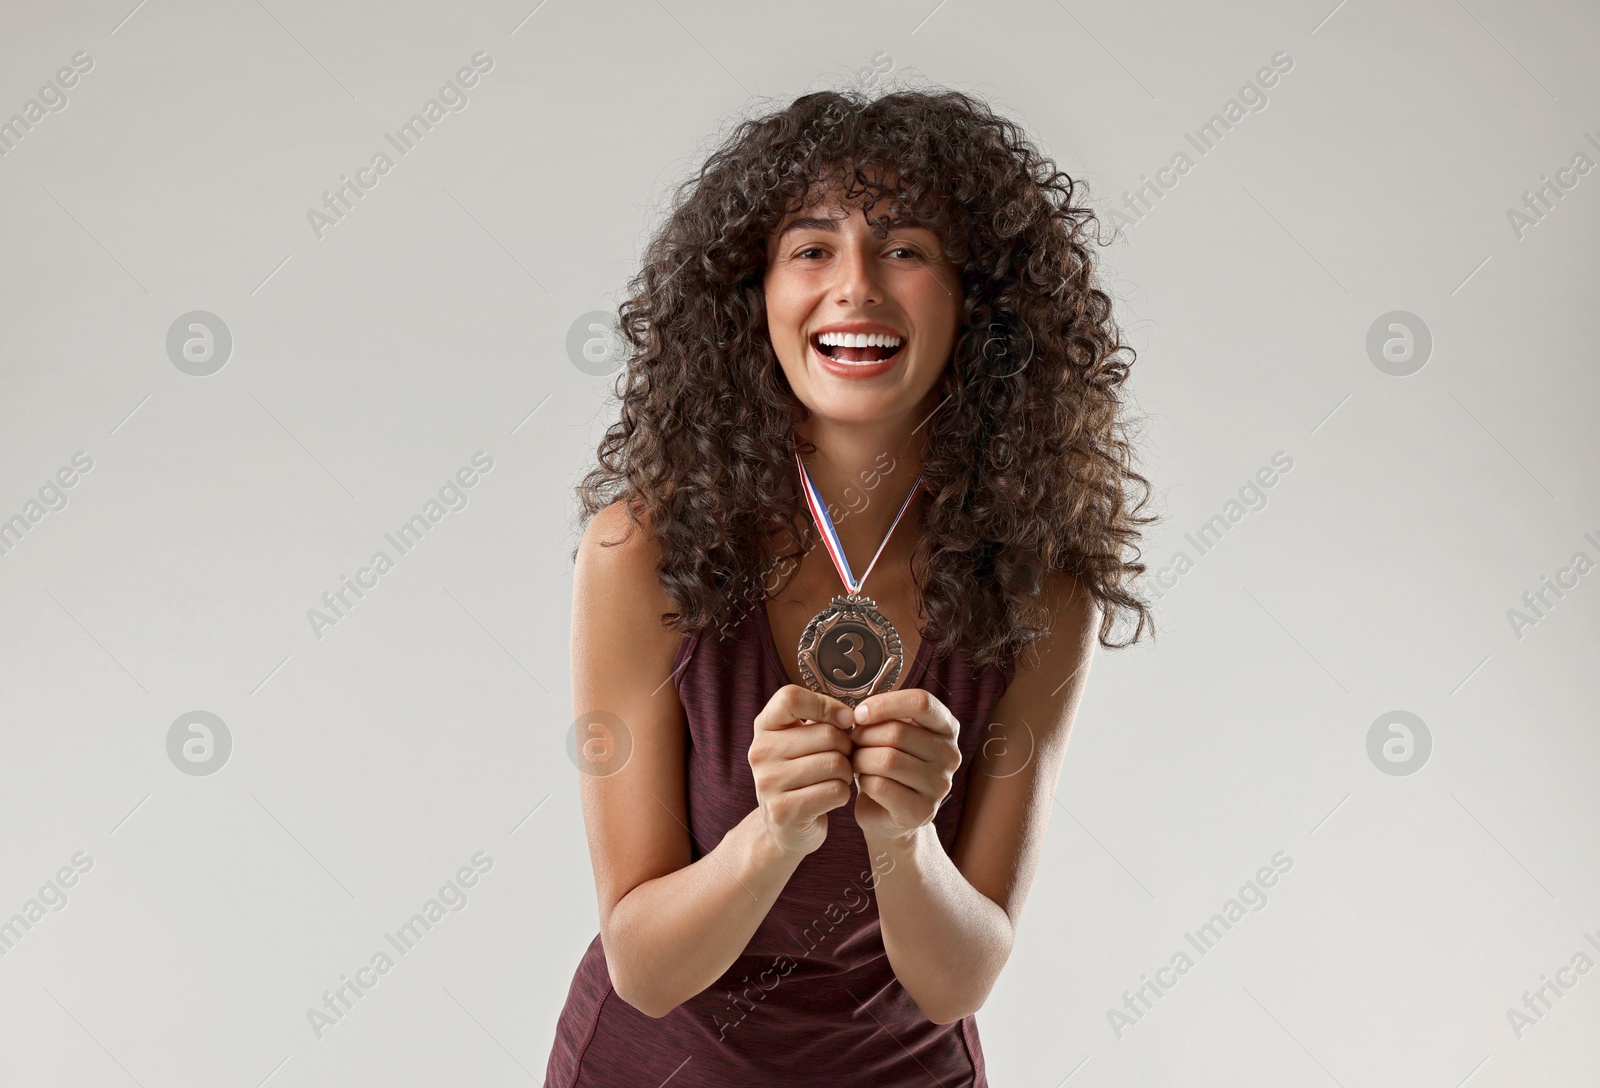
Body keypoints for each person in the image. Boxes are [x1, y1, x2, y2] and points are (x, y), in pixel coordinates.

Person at [547, 86, 1154, 1087]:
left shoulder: (1040, 585)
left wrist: (903, 837)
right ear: (756, 293)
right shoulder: (640, 552)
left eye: (907, 248)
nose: (856, 287)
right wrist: (773, 834)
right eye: (812, 248)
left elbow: (959, 978)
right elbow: (643, 965)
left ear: (978, 301)